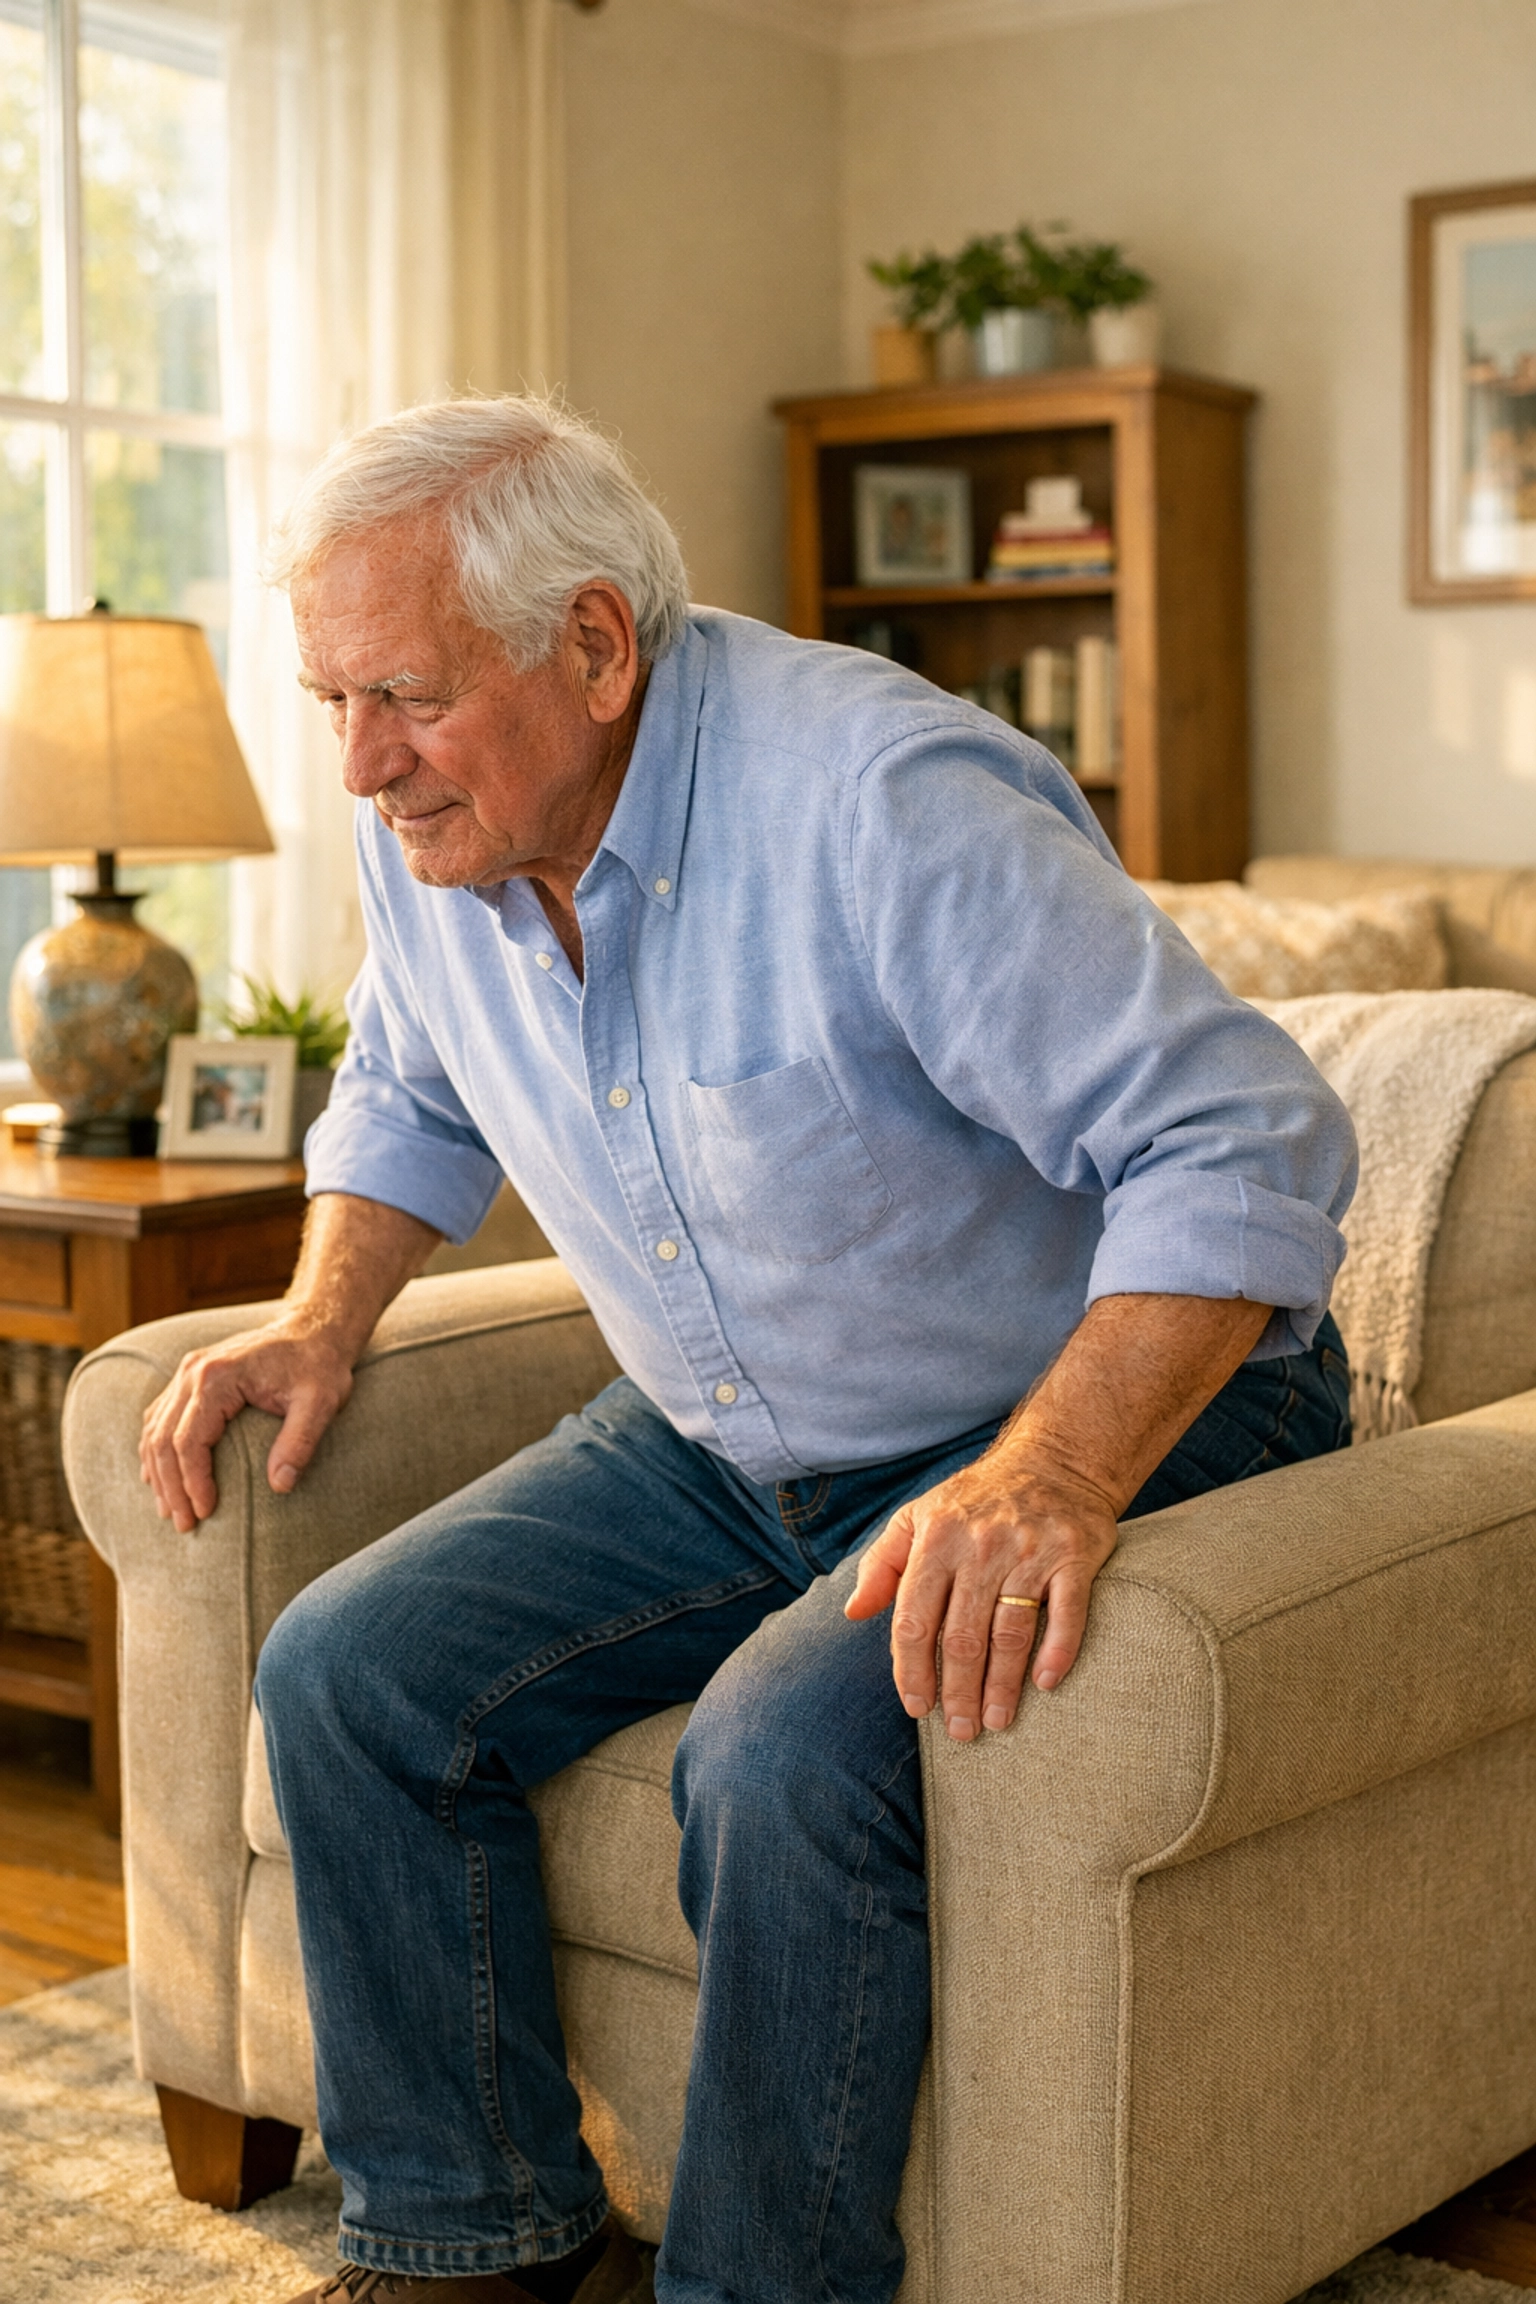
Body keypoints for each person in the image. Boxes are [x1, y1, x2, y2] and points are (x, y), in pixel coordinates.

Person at [140, 397, 1356, 2304]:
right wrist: (316, 1317)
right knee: (346, 1673)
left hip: (1086, 1402)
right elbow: (406, 1091)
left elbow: (1244, 1141)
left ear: (598, 645)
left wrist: (1043, 1478)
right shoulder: (437, 830)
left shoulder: (881, 803)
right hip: (725, 1436)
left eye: (406, 697)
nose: (365, 765)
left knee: (779, 1754)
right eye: (334, 707)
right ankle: (471, 2239)